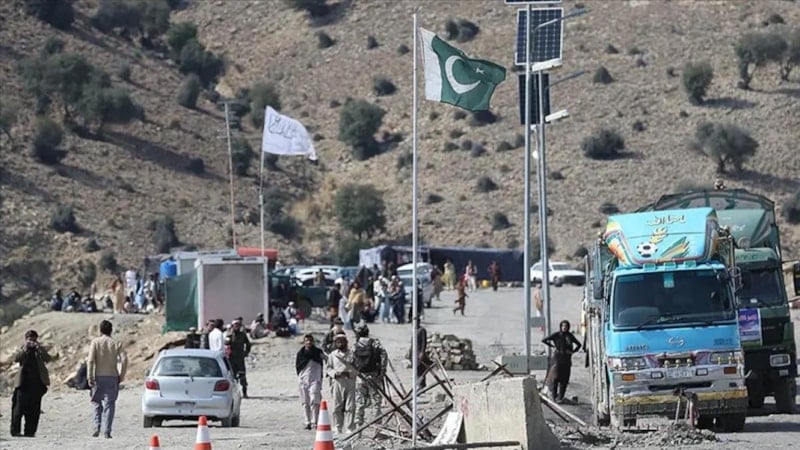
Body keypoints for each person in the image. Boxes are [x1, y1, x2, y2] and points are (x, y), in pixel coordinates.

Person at [87, 319, 128, 439]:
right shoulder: (116, 343)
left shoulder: (95, 342)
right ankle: (107, 431)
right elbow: (124, 359)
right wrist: (122, 375)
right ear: (111, 330)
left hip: (98, 376)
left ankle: (97, 426)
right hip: (112, 376)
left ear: (100, 330)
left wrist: (90, 376)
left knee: (96, 402)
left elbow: (90, 361)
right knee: (110, 404)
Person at [10, 330, 51, 437]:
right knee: (18, 408)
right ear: (25, 339)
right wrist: (25, 348)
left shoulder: (39, 349)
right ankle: (15, 431)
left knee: (34, 409)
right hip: (23, 383)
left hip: (37, 384)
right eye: (30, 339)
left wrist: (39, 348)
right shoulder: (22, 349)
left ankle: (30, 431)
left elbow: (48, 358)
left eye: (34, 339)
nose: (32, 341)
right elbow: (16, 359)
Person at [352, 321, 388, 428]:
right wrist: (382, 371)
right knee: (376, 401)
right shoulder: (374, 343)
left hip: (361, 377)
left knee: (360, 401)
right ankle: (377, 427)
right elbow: (384, 355)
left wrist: (356, 371)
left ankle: (358, 427)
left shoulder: (356, 345)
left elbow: (351, 360)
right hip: (374, 376)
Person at [541, 320, 582, 403]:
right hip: (558, 358)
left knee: (565, 378)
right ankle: (554, 396)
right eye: (563, 326)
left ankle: (560, 397)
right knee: (555, 377)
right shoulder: (557, 335)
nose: (564, 328)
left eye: (566, 326)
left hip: (567, 358)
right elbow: (544, 340)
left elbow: (579, 344)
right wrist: (552, 346)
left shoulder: (569, 336)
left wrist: (572, 352)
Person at [326, 333, 356, 435]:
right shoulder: (332, 355)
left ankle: (350, 427)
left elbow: (358, 369)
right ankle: (337, 427)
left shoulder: (352, 354)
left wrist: (349, 373)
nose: (340, 343)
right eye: (338, 342)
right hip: (338, 382)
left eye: (342, 341)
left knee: (350, 406)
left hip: (350, 382)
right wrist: (335, 373)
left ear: (346, 342)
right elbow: (328, 368)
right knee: (337, 406)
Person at [296, 334, 324, 430]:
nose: (308, 342)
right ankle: (307, 421)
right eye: (306, 341)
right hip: (303, 380)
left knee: (315, 400)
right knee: (305, 402)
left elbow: (326, 361)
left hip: (315, 379)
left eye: (310, 341)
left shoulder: (318, 353)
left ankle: (315, 421)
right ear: (304, 342)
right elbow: (298, 367)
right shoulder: (301, 353)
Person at [226, 319, 252, 398]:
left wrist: (246, 352)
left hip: (240, 358)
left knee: (242, 376)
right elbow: (226, 345)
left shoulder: (242, 334)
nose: (236, 326)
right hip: (232, 358)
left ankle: (245, 393)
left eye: (238, 325)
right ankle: (233, 393)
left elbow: (248, 344)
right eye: (235, 325)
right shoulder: (229, 335)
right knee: (232, 377)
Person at [411, 316, 430, 389]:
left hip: (419, 352)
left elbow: (424, 342)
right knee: (416, 369)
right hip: (414, 353)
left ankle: (422, 385)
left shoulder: (422, 330)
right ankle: (418, 384)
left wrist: (422, 352)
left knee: (421, 369)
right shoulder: (414, 330)